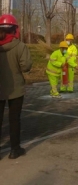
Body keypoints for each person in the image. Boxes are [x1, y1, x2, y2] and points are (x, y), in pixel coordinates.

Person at [0, 14, 32, 159]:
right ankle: (14, 149)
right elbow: (26, 67)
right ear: (14, 29)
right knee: (14, 120)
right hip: (16, 90)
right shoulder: (20, 46)